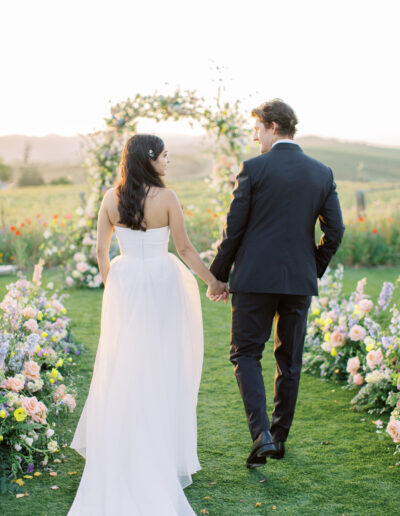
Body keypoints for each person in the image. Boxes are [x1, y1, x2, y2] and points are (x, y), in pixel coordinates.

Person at [68, 134, 227, 515]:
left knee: (123, 363)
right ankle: (156, 448)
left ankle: (123, 446)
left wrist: (114, 287)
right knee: (160, 362)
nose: (168, 162)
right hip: (160, 279)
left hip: (125, 282)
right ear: (151, 158)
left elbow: (100, 251)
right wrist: (214, 283)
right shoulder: (167, 198)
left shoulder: (111, 197)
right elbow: (185, 249)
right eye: (166, 156)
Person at [209, 99, 345, 468]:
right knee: (290, 359)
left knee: (245, 354)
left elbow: (233, 229)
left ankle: (262, 435)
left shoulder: (254, 168)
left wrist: (219, 274)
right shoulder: (322, 172)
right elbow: (335, 231)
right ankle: (278, 438)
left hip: (254, 278)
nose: (254, 137)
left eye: (256, 129)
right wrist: (311, 267)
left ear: (271, 126)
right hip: (298, 281)